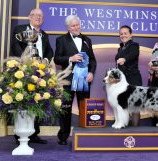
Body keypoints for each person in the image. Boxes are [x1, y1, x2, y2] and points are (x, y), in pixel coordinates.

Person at [10, 8, 53, 144]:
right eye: (35, 15)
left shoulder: (44, 35)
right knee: (23, 101)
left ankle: (34, 134)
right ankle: (20, 135)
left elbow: (49, 51)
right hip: (24, 69)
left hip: (40, 71)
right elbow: (15, 46)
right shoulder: (20, 29)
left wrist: (46, 60)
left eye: (40, 16)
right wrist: (25, 61)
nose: (38, 18)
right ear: (29, 16)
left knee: (38, 100)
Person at [54, 15, 97, 145]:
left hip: (84, 79)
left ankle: (86, 135)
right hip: (68, 79)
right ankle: (63, 136)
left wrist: (91, 72)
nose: (76, 27)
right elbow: (57, 59)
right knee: (65, 109)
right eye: (73, 25)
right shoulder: (61, 40)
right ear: (68, 27)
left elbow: (93, 60)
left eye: (77, 24)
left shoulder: (87, 40)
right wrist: (70, 59)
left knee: (84, 108)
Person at [115, 25, 142, 126]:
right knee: (122, 105)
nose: (123, 35)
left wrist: (124, 59)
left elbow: (133, 54)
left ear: (131, 35)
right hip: (121, 81)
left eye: (125, 33)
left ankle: (135, 132)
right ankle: (122, 127)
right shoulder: (120, 48)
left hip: (133, 78)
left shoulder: (134, 45)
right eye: (121, 34)